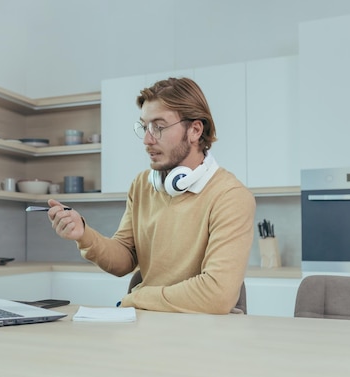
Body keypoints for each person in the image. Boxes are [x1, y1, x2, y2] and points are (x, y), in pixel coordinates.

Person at [47, 77, 255, 314]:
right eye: (145, 127)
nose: (147, 139)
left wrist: (138, 298)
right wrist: (83, 234)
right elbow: (124, 258)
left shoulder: (230, 196)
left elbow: (217, 295)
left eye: (159, 126)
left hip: (202, 332)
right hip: (149, 324)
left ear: (195, 130)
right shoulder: (142, 185)